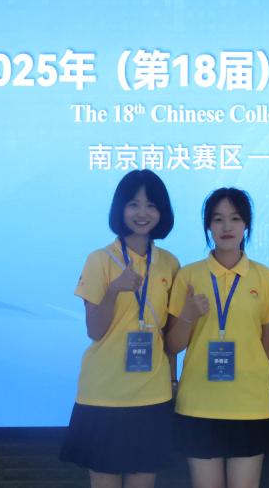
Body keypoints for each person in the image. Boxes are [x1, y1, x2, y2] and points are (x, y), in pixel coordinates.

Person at [60, 169, 180, 488]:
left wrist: (173, 380)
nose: (142, 213)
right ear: (120, 208)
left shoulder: (170, 263)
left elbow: (168, 337)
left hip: (152, 393)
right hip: (103, 394)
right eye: (133, 204)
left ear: (162, 211)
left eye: (151, 205)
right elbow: (94, 330)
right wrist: (114, 289)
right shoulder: (99, 259)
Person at [166, 187, 269, 488]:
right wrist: (189, 314)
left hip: (252, 405)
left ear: (246, 224)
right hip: (199, 404)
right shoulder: (189, 276)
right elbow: (172, 345)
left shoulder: (266, 278)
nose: (227, 226)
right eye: (218, 219)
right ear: (208, 225)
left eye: (235, 218)